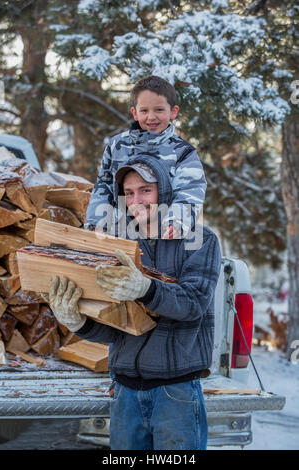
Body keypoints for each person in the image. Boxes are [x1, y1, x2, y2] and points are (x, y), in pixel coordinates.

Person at [47, 160, 222, 450]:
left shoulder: (198, 239)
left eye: (145, 190)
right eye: (128, 193)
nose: (136, 201)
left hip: (175, 392)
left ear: (165, 193)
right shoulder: (118, 243)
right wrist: (79, 322)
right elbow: (116, 328)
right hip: (124, 393)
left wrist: (146, 288)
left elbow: (194, 304)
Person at [85, 75, 206, 240]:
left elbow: (190, 191)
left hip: (163, 233)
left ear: (173, 112)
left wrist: (176, 222)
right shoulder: (117, 146)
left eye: (159, 110)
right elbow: (104, 185)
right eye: (144, 111)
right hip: (123, 232)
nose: (151, 117)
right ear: (134, 113)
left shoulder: (183, 152)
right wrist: (98, 222)